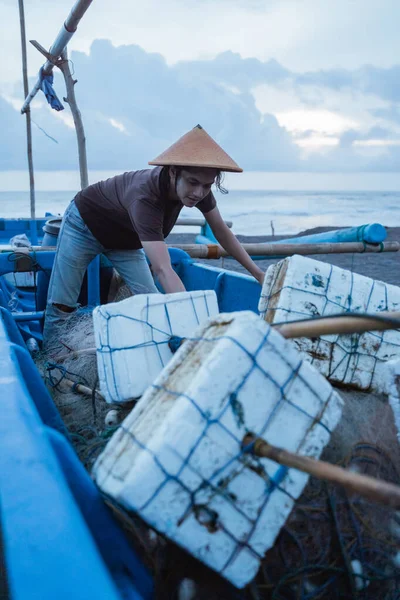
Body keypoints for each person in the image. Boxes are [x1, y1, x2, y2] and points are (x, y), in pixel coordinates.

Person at [43, 124, 265, 343]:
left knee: (151, 302)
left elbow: (222, 233)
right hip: (84, 225)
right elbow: (162, 268)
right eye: (192, 182)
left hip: (125, 241)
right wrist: (196, 321)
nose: (198, 192)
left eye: (207, 186)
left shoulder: (200, 189)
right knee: (62, 305)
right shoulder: (145, 197)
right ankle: (51, 358)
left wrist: (259, 274)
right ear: (173, 172)